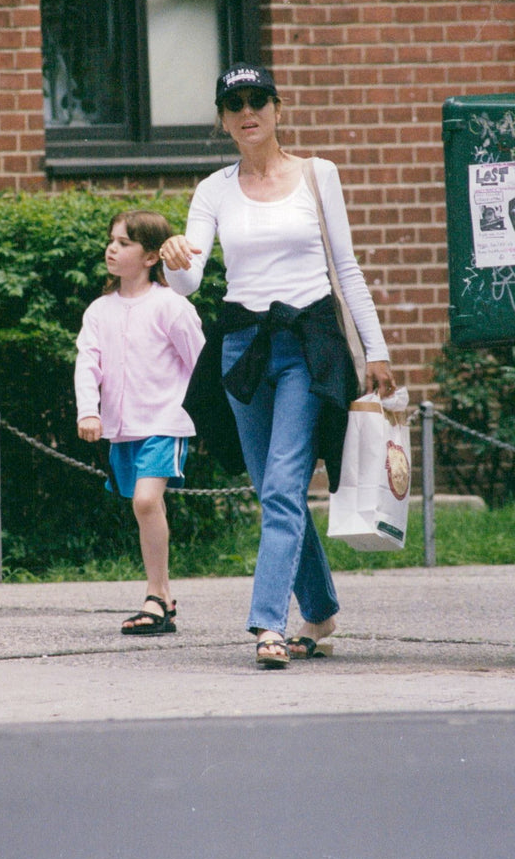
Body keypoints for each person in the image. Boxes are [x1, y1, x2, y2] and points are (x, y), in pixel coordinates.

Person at [160, 62, 396, 668]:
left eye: (258, 100)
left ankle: (269, 623)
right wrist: (174, 259)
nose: (248, 112)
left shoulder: (319, 176)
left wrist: (378, 350)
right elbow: (189, 282)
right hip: (243, 346)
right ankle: (319, 612)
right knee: (272, 489)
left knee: (286, 482)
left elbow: (347, 270)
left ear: (278, 109)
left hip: (307, 346)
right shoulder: (213, 189)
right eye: (234, 104)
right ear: (222, 120)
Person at [75, 209, 205, 635]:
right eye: (111, 240)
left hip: (166, 421)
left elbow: (201, 365)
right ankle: (164, 597)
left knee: (147, 501)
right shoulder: (98, 310)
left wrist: (204, 419)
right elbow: (87, 365)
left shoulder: (172, 306)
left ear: (151, 257)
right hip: (122, 427)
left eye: (125, 243)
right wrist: (88, 410)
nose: (112, 249)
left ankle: (153, 594)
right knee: (143, 505)